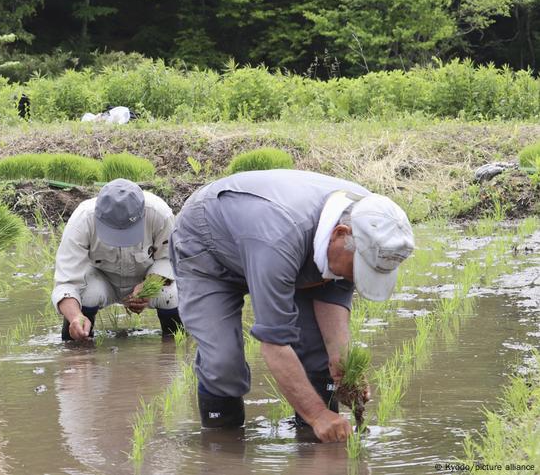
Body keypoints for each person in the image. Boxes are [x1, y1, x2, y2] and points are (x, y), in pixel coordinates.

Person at [170, 169, 414, 443]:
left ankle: (315, 446)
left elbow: (334, 291)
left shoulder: (369, 218)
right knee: (223, 363)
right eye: (358, 269)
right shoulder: (279, 238)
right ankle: (222, 448)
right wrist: (318, 415)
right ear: (340, 234)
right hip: (208, 245)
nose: (357, 278)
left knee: (318, 356)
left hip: (285, 247)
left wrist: (342, 365)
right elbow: (275, 343)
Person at [52, 179, 181, 340]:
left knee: (172, 294)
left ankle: (174, 351)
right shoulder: (82, 220)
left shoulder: (160, 214)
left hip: (145, 277)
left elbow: (170, 259)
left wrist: (149, 285)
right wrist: (75, 317)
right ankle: (78, 350)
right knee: (85, 294)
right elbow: (66, 283)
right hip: (102, 281)